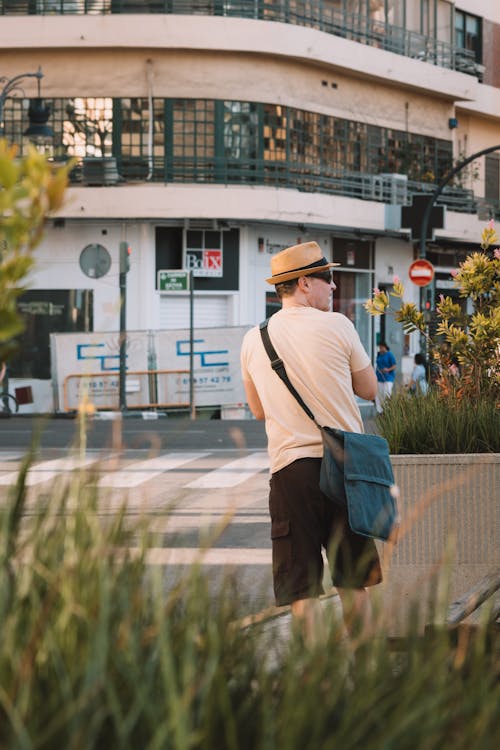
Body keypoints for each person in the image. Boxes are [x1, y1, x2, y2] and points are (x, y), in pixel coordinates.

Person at [240, 241, 381, 644]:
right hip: (344, 464)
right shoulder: (339, 325)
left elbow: (257, 409)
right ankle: (368, 674)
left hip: (290, 471)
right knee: (354, 581)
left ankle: (317, 679)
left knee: (302, 589)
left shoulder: (255, 339)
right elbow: (369, 389)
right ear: (305, 283)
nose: (333, 288)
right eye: (328, 279)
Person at [375, 341, 396, 413]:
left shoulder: (389, 354)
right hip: (379, 377)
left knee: (386, 393)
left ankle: (387, 410)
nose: (380, 349)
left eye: (381, 347)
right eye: (379, 347)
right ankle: (380, 411)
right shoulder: (379, 355)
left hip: (388, 377)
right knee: (378, 394)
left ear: (385, 347)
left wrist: (388, 369)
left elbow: (394, 366)